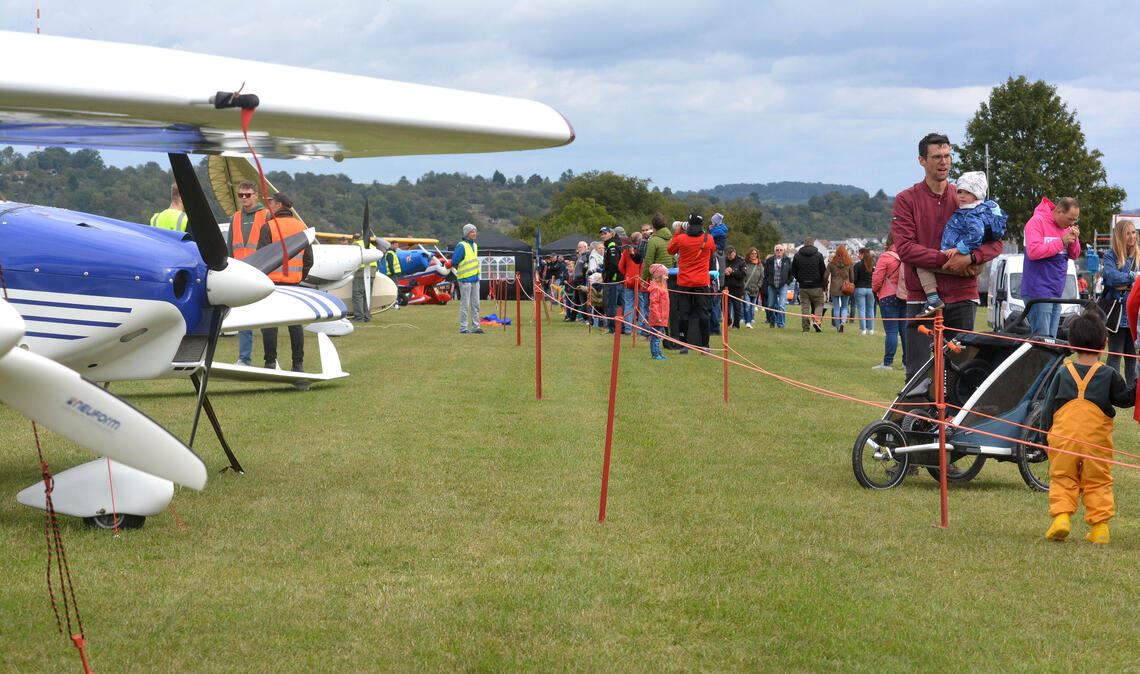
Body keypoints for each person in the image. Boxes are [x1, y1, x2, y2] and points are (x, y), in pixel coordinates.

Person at [892, 133, 1004, 380]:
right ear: (922, 160)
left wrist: (971, 258)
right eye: (936, 157)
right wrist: (949, 262)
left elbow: (996, 243)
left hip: (963, 296)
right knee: (918, 374)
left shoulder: (968, 198)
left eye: (947, 156)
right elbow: (906, 249)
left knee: (960, 373)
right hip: (922, 298)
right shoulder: (906, 200)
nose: (943, 162)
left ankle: (952, 420)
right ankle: (915, 418)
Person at [1041, 308, 1136, 544]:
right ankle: (1100, 527)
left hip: (1063, 439)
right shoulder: (1109, 374)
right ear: (1104, 343)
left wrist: (1044, 436)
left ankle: (1062, 517)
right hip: (1096, 443)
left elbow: (1048, 407)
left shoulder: (1063, 373)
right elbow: (1125, 400)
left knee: (1063, 478)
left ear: (1071, 344)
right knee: (1098, 481)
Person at [912, 171, 1008, 316]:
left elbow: (976, 235)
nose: (962, 196)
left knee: (922, 265)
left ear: (977, 194)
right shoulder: (976, 210)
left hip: (959, 258)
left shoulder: (972, 213)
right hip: (966, 263)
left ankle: (933, 299)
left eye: (967, 192)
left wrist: (959, 250)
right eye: (960, 192)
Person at [258, 193, 314, 389]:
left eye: (272, 202)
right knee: (295, 325)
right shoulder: (302, 228)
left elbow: (261, 259)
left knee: (269, 324)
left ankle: (270, 363)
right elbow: (309, 260)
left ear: (279, 204)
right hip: (294, 284)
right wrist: (299, 277)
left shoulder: (268, 227)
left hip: (272, 283)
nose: (269, 206)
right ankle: (298, 365)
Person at [1023, 196, 1081, 337]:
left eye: (1075, 220)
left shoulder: (1065, 228)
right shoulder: (1036, 222)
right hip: (1038, 291)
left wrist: (1074, 240)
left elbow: (1074, 255)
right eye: (1070, 219)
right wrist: (1061, 241)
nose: (1071, 223)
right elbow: (1034, 252)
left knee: (1051, 341)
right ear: (1059, 211)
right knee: (1042, 340)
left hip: (1056, 292)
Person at [227, 180, 270, 367]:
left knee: (269, 318)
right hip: (240, 273)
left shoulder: (266, 215)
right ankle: (244, 358)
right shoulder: (235, 217)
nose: (243, 198)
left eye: (247, 195)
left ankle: (271, 359)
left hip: (263, 272)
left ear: (255, 195)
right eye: (240, 195)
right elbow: (230, 247)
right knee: (244, 317)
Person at [666, 213, 715, 354]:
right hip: (701, 282)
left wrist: (677, 231)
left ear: (688, 224)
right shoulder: (709, 239)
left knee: (684, 313)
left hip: (685, 281)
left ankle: (683, 345)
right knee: (703, 313)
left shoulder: (681, 238)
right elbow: (712, 253)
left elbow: (670, 250)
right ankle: (705, 346)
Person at [1099, 219, 1139, 382]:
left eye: (1133, 232)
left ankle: (1132, 393)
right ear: (1120, 236)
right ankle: (1111, 390)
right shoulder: (1111, 254)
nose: (1131, 237)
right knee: (1114, 356)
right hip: (1116, 313)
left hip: (1134, 314)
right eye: (1127, 233)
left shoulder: (1138, 254)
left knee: (1131, 358)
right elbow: (1109, 277)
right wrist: (1132, 278)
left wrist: (1125, 284)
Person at [871, 234, 906, 371]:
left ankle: (887, 362)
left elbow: (877, 279)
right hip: (904, 296)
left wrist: (876, 290)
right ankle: (906, 362)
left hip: (888, 295)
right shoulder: (906, 255)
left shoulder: (886, 257)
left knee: (891, 331)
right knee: (904, 330)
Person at [639, 215, 673, 335]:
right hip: (670, 275)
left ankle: (652, 332)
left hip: (657, 277)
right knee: (666, 305)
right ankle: (668, 333)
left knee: (654, 305)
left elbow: (648, 261)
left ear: (653, 227)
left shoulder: (653, 240)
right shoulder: (671, 238)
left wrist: (644, 278)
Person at [452, 223, 483, 334]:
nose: (474, 233)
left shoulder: (474, 245)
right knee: (465, 305)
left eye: (475, 231)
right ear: (467, 233)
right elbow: (455, 260)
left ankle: (476, 327)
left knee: (476, 305)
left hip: (475, 279)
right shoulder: (461, 245)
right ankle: (463, 328)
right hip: (465, 279)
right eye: (472, 232)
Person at [791, 237, 826, 333]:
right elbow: (823, 270)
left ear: (804, 244)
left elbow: (793, 271)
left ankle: (806, 328)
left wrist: (800, 279)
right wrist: (822, 282)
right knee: (819, 303)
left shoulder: (797, 256)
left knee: (805, 307)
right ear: (813, 243)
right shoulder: (819, 255)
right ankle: (817, 321)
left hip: (803, 286)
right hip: (816, 285)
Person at [600, 226, 624, 334]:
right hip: (619, 280)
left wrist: (607, 276)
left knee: (612, 305)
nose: (602, 236)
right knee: (620, 304)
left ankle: (613, 328)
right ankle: (622, 328)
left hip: (614, 280)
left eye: (605, 233)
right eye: (601, 234)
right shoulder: (616, 244)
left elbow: (614, 265)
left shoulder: (612, 245)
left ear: (611, 234)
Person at [826, 244, 854, 332]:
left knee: (836, 307)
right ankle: (843, 322)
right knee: (845, 307)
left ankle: (838, 327)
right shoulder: (849, 263)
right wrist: (851, 283)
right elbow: (852, 277)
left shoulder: (832, 263)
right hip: (846, 287)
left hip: (834, 287)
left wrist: (825, 285)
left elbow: (825, 276)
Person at [618, 231, 642, 335]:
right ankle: (641, 330)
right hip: (641, 280)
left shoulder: (626, 251)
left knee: (629, 304)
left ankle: (628, 329)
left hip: (629, 280)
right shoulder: (642, 250)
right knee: (642, 305)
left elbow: (620, 266)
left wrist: (626, 274)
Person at [764, 244, 792, 328]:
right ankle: (772, 320)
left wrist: (787, 282)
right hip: (772, 285)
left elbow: (791, 273)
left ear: (783, 251)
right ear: (774, 251)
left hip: (783, 285)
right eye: (777, 250)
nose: (779, 251)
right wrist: (769, 282)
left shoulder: (787, 260)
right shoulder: (769, 260)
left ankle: (781, 324)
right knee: (770, 305)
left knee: (782, 306)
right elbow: (766, 273)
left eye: (780, 250)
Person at [647, 263, 670, 361]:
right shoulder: (656, 288)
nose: (667, 277)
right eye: (665, 275)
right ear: (659, 276)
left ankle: (658, 352)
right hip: (658, 318)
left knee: (658, 336)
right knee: (656, 337)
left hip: (662, 317)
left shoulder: (662, 287)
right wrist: (658, 316)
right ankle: (655, 354)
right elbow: (654, 304)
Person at [350, 233, 376, 322]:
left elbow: (351, 260)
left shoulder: (356, 245)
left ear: (354, 239)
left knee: (358, 295)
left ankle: (359, 317)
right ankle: (367, 316)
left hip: (361, 272)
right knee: (367, 295)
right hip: (372, 272)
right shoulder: (372, 245)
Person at [853, 247, 876, 335]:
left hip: (860, 288)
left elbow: (855, 279)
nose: (858, 255)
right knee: (870, 310)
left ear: (862, 254)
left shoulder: (858, 265)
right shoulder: (873, 264)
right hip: (871, 289)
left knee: (861, 310)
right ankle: (871, 330)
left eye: (859, 254)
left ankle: (863, 330)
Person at [723, 246, 746, 329]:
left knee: (737, 307)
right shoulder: (724, 260)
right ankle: (728, 320)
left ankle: (736, 324)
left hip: (737, 288)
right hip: (726, 287)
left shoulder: (741, 261)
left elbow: (743, 274)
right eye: (728, 255)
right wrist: (724, 271)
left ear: (734, 253)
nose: (729, 256)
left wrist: (732, 271)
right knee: (724, 306)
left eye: (731, 254)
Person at [741, 247, 764, 329]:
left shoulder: (760, 266)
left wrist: (758, 286)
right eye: (752, 253)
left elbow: (762, 277)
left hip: (755, 290)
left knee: (752, 307)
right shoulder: (745, 264)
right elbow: (742, 276)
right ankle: (748, 322)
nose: (754, 255)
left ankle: (749, 320)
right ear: (749, 255)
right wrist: (743, 285)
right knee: (747, 305)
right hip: (746, 289)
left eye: (755, 253)